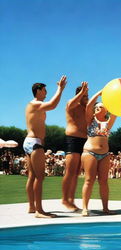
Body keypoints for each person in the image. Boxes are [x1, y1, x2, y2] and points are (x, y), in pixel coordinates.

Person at [23, 76, 67, 218]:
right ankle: (39, 211)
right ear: (38, 91)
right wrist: (60, 89)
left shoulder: (32, 105)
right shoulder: (35, 104)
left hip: (29, 141)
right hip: (35, 142)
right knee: (40, 177)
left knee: (32, 176)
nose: (46, 92)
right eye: (45, 90)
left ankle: (31, 207)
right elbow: (53, 105)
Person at [81, 90, 116, 216]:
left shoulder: (108, 123)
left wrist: (112, 99)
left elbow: (116, 111)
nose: (97, 108)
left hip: (105, 154)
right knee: (89, 180)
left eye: (100, 107)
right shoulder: (90, 120)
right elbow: (89, 106)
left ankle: (105, 208)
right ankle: (85, 208)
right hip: (90, 152)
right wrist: (98, 94)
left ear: (106, 110)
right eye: (96, 107)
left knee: (104, 181)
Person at [62, 82, 88, 211]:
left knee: (77, 172)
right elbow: (70, 104)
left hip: (84, 142)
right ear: (79, 95)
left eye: (87, 95)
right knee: (70, 171)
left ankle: (71, 199)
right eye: (84, 96)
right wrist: (81, 93)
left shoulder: (86, 108)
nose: (86, 98)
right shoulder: (72, 105)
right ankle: (65, 200)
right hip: (73, 139)